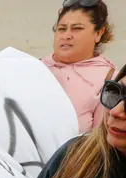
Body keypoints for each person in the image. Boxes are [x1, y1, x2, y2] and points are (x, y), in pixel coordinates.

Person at [42, 0, 115, 133]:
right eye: (62, 29)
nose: (66, 36)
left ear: (98, 33)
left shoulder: (108, 80)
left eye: (77, 28)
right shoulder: (32, 67)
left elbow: (99, 143)